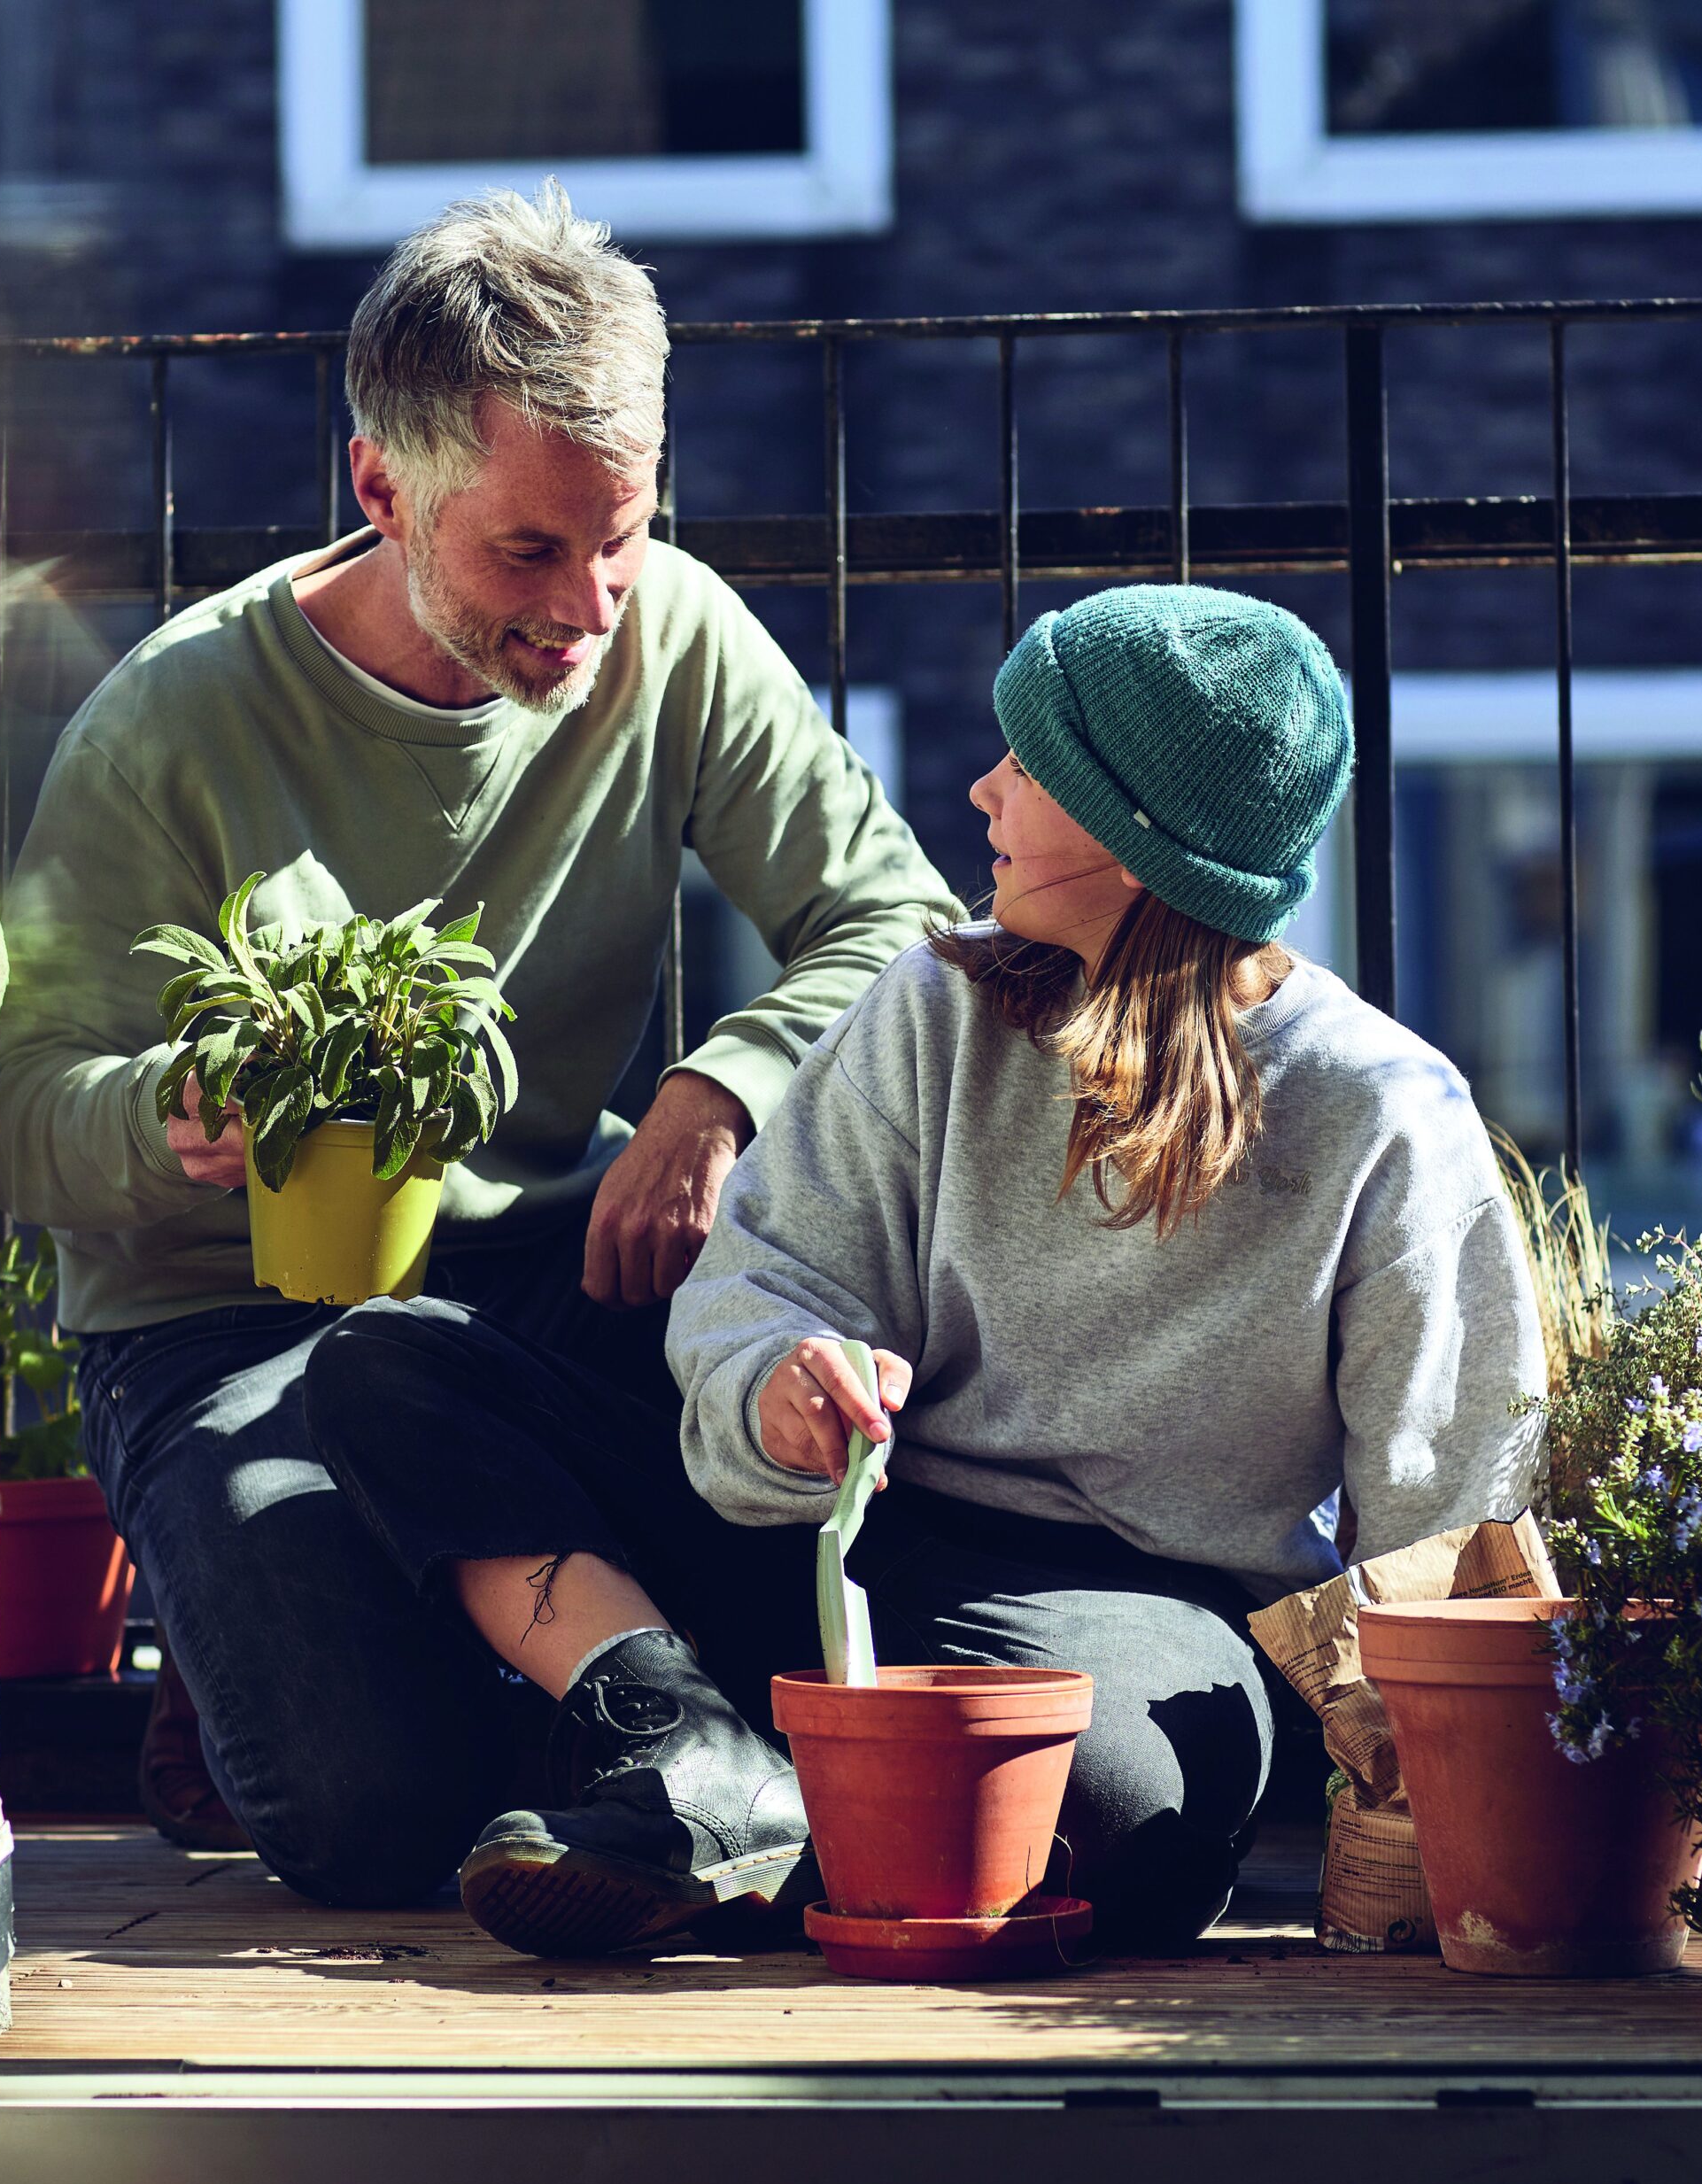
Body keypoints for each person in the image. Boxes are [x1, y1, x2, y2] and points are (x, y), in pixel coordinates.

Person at [311, 580, 1546, 1958]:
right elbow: (761, 1279)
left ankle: (727, 1825)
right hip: (838, 1538)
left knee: (1116, 1798)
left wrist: (1422, 1787)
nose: (980, 791)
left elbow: (1444, 1513)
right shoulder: (930, 1003)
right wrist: (779, 1387)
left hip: (1127, 1616)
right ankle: (681, 1743)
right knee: (393, 1365)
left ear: (1136, 841)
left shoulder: (1380, 1111)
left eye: (1029, 765)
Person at [0, 182, 960, 1907]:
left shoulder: (670, 629)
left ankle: (625, 1726)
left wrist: (712, 1090)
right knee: (364, 1820)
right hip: (220, 1326)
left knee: (816, 1359)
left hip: (524, 1270)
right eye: (529, 550)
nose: (590, 605)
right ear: (382, 484)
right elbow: (21, 1120)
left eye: (623, 534)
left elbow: (890, 917)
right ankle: (355, 1680)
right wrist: (179, 1115)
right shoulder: (172, 726)